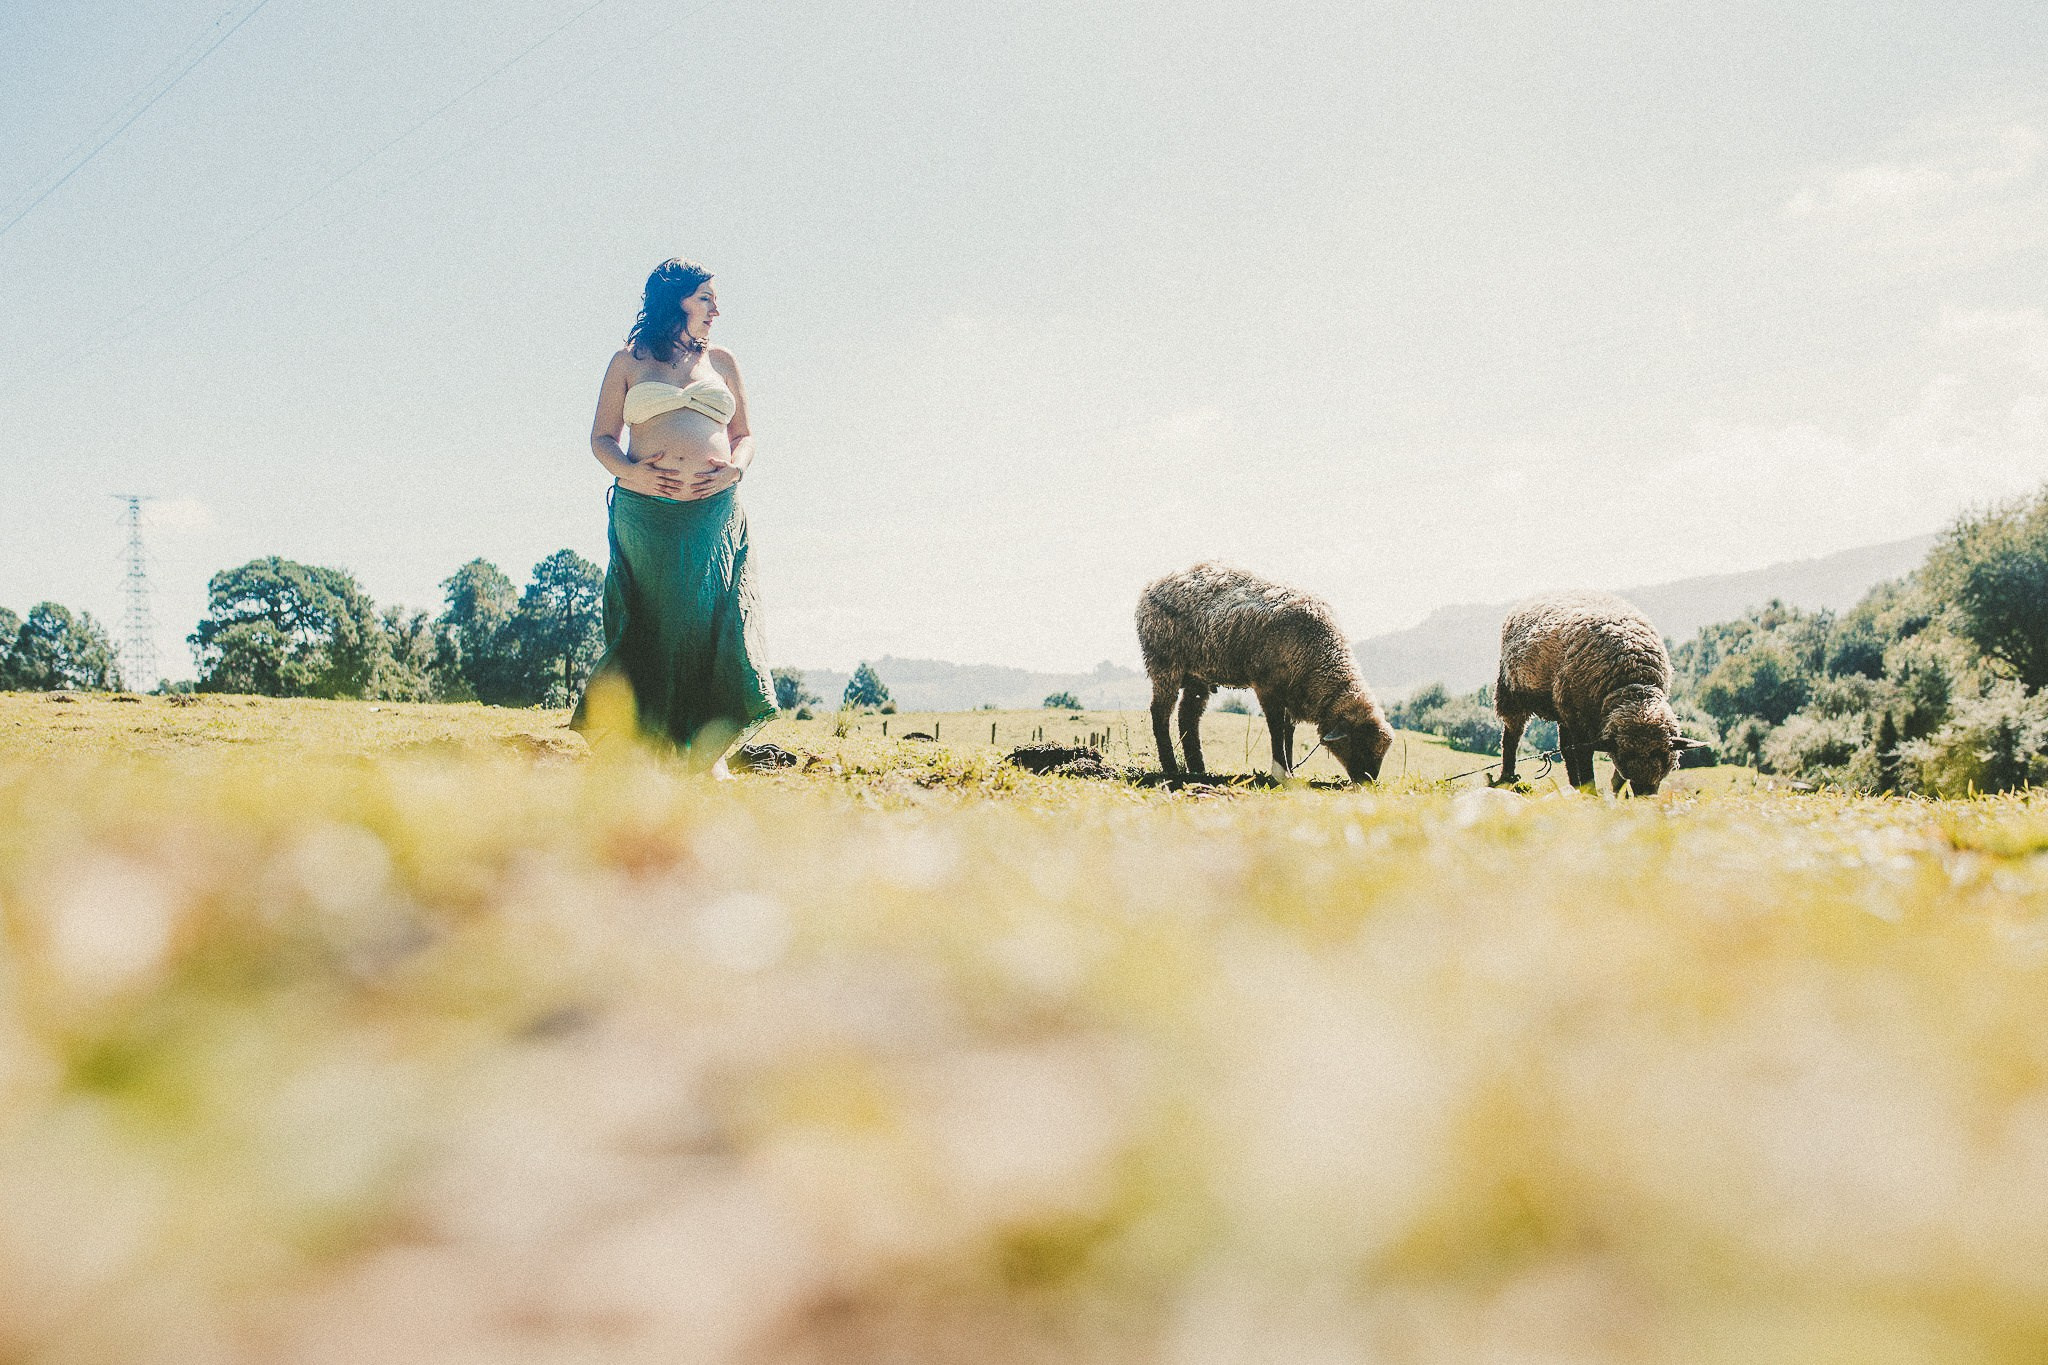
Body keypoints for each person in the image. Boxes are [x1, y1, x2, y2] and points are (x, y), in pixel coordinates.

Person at [572, 258, 777, 772]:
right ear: (676, 299)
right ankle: (637, 748)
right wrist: (630, 473)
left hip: (713, 515)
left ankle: (705, 753)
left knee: (711, 624)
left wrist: (735, 470)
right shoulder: (628, 361)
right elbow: (601, 438)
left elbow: (745, 436)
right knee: (650, 623)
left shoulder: (723, 362)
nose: (716, 310)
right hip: (646, 514)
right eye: (706, 298)